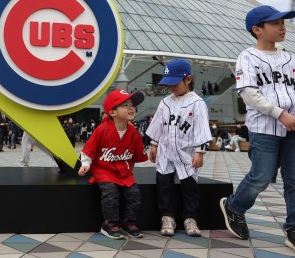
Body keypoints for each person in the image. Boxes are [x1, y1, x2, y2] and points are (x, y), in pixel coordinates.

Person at [220, 5, 295, 256]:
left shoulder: (292, 59)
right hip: (264, 127)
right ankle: (234, 207)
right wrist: (281, 113)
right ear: (257, 30)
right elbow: (249, 94)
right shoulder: (247, 57)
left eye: (282, 23)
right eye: (275, 23)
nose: (282, 27)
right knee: (261, 177)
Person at [146, 59, 212, 237]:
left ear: (188, 79)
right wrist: (153, 144)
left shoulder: (197, 103)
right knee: (163, 186)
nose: (170, 87)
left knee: (190, 188)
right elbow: (158, 125)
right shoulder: (165, 102)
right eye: (167, 83)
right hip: (166, 152)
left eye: (174, 83)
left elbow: (202, 128)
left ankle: (190, 218)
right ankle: (167, 217)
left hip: (187, 152)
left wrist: (200, 151)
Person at [78, 89, 148, 239]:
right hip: (105, 170)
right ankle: (109, 223)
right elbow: (88, 150)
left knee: (134, 194)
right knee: (111, 193)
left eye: (132, 105)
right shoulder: (101, 130)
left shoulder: (134, 132)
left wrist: (129, 171)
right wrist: (85, 164)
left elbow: (136, 156)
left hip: (124, 171)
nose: (131, 108)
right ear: (113, 112)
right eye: (125, 105)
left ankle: (128, 222)